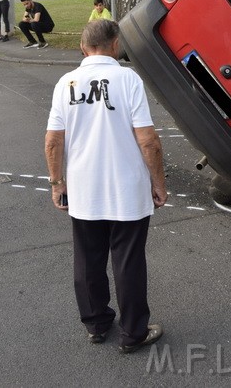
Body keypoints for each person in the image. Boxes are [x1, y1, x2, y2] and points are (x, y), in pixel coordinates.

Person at [44, 19, 167, 352]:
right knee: (127, 261)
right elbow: (148, 140)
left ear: (84, 48)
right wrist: (158, 183)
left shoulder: (65, 82)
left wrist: (57, 183)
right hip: (126, 189)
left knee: (87, 261)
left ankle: (96, 324)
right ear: (115, 45)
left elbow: (54, 141)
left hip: (84, 189)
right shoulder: (127, 79)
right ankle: (133, 333)